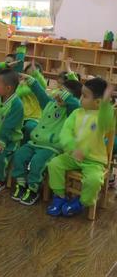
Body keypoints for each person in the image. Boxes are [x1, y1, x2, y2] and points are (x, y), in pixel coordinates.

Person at [47, 78, 115, 217]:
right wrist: (72, 149)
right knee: (54, 164)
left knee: (94, 180)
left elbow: (108, 121)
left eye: (85, 96)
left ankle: (82, 203)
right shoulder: (76, 113)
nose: (80, 98)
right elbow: (65, 133)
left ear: (97, 102)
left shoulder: (101, 117)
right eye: (81, 95)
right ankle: (59, 196)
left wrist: (106, 104)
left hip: (94, 161)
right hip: (72, 155)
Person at [11, 75, 81, 205]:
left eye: (64, 93)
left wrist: (66, 98)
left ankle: (33, 189)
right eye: (60, 90)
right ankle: (21, 184)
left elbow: (76, 104)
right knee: (19, 155)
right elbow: (40, 93)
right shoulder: (50, 104)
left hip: (51, 147)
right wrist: (31, 80)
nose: (59, 94)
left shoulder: (71, 112)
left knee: (37, 163)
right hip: (35, 142)